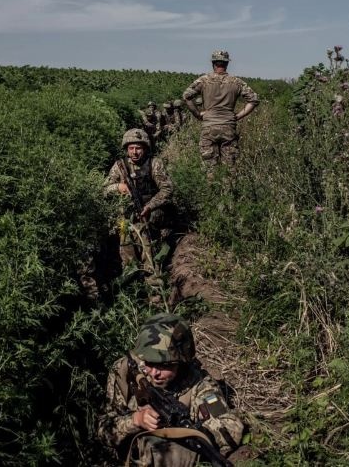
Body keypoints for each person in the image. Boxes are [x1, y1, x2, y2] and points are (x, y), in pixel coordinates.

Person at [97, 313, 244, 466]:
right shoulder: (125, 371)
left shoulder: (198, 384)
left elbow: (231, 427)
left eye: (165, 366)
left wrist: (190, 435)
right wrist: (135, 421)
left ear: (182, 361)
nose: (154, 373)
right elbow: (103, 429)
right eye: (149, 363)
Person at [104, 129, 173, 288]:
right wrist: (117, 186)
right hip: (125, 217)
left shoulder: (155, 164)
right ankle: (132, 285)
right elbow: (104, 188)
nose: (134, 152)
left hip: (149, 215)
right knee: (126, 247)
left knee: (149, 250)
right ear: (126, 149)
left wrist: (150, 206)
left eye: (138, 148)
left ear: (145, 148)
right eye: (131, 148)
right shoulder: (119, 166)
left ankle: (153, 286)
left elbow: (167, 189)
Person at [182, 50, 260, 177]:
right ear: (227, 64)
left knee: (210, 170)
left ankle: (212, 194)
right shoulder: (236, 82)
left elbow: (187, 96)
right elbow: (254, 99)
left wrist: (198, 114)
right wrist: (238, 116)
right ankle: (229, 194)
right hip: (228, 127)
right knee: (230, 170)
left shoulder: (204, 80)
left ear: (213, 63)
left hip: (209, 127)